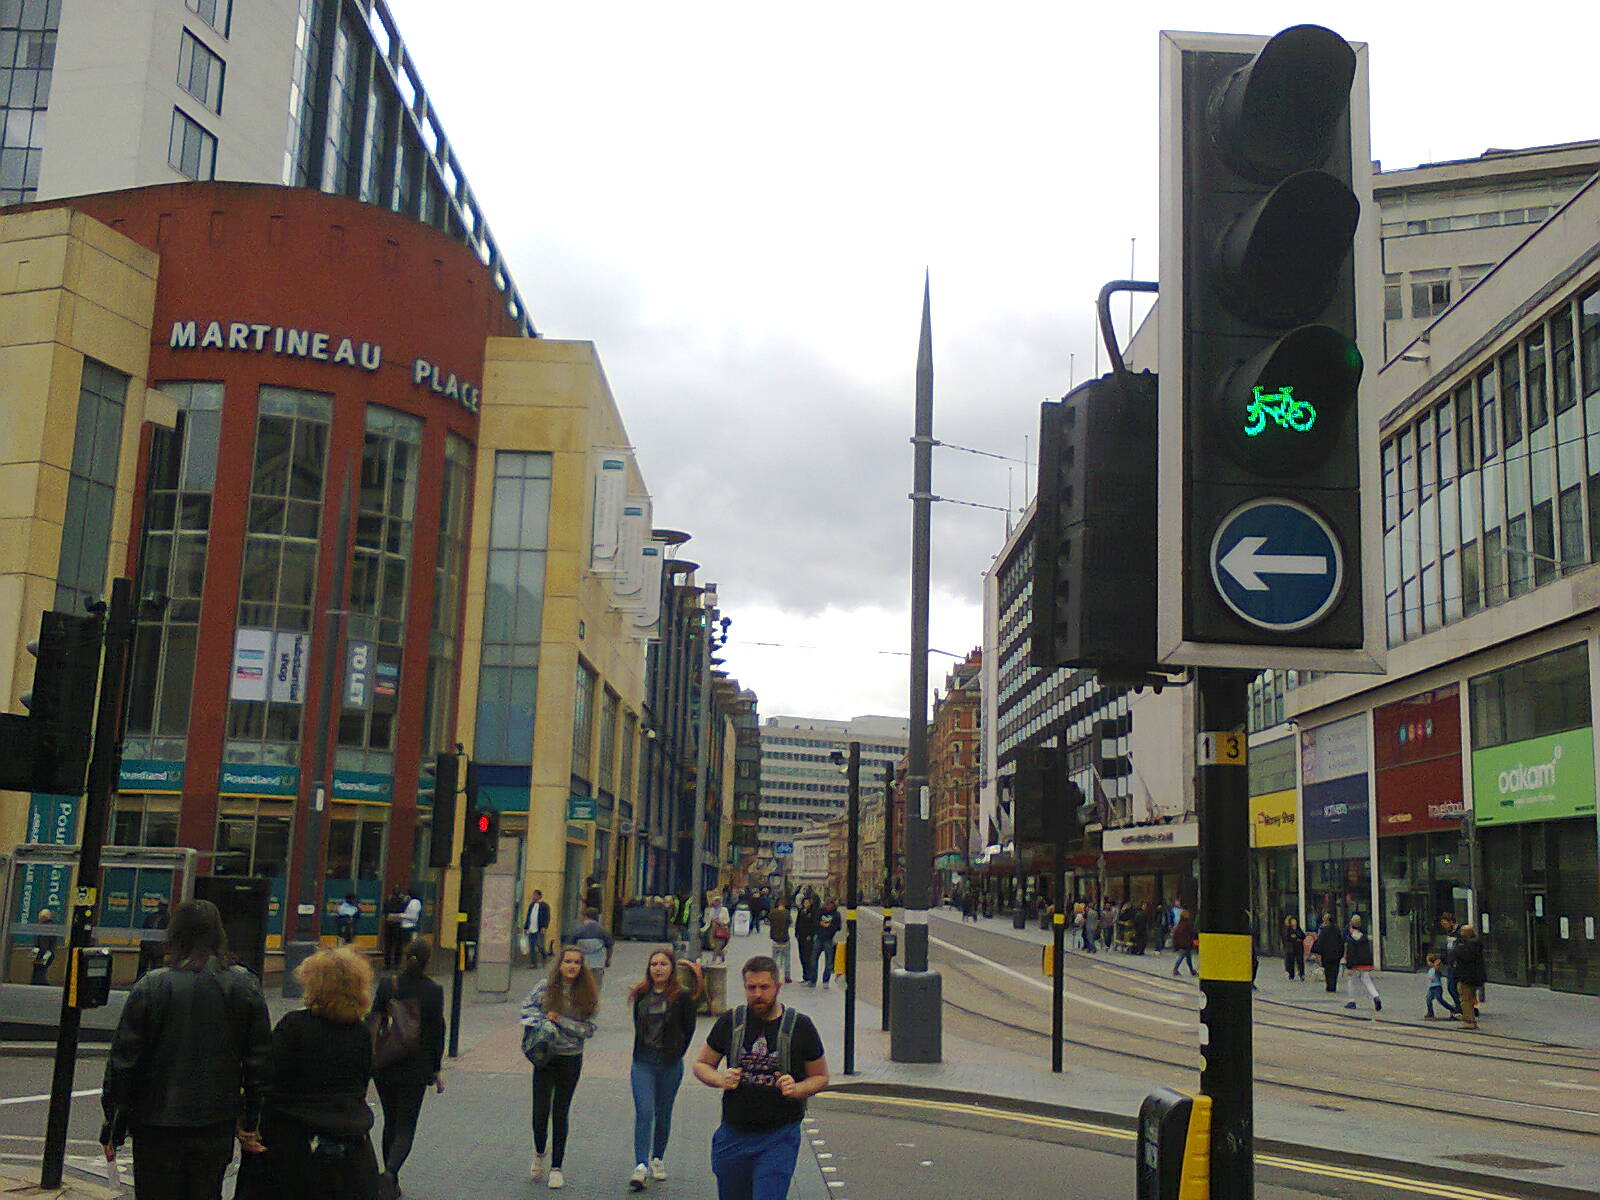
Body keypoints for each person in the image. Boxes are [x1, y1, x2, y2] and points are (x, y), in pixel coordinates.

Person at [100, 900, 272, 1200]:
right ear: (219, 933)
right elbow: (258, 1062)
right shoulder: (244, 984)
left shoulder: (151, 986)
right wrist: (251, 1121)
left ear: (175, 934)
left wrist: (114, 1127)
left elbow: (123, 1063)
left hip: (155, 1123)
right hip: (214, 1121)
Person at [235, 946, 381, 1200]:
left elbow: (265, 1078)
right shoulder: (361, 1034)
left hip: (292, 1147)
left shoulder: (295, 1027)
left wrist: (247, 1123)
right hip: (349, 1150)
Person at [693, 955, 828, 1200]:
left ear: (777, 986)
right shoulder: (731, 1022)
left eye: (764, 987)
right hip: (734, 1133)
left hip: (779, 1136)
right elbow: (702, 1065)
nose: (758, 994)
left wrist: (797, 1089)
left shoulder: (801, 1026)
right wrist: (720, 1079)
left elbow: (820, 1077)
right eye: (751, 988)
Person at [371, 937, 446, 1197]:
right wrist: (436, 1069)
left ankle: (391, 1181)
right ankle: (390, 1174)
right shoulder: (434, 991)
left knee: (390, 1122)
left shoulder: (386, 985)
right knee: (406, 1125)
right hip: (416, 1066)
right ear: (428, 961)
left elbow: (374, 1021)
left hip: (385, 1065)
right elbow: (437, 1032)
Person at [522, 946, 599, 1188]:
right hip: (545, 1056)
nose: (572, 966)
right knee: (540, 1110)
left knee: (561, 1111)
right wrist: (543, 1021)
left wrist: (561, 1022)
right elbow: (526, 1009)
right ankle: (538, 1152)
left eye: (577, 962)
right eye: (567, 961)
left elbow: (588, 1029)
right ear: (560, 964)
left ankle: (557, 1166)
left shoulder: (586, 993)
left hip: (570, 1057)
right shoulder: (545, 987)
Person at [627, 948, 699, 1190]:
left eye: (663, 964)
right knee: (645, 1110)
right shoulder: (641, 994)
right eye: (654, 964)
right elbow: (637, 1026)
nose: (658, 968)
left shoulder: (683, 997)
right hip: (643, 1062)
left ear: (672, 968)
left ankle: (657, 1158)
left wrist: (676, 1053)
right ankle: (640, 1165)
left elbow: (689, 1030)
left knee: (663, 1112)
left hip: (669, 1063)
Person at [1450, 924, 1486, 1030]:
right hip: (1476, 977)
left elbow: (1459, 956)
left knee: (1465, 999)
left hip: (1466, 976)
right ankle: (1472, 1020)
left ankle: (1468, 1021)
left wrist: (1455, 950)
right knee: (1471, 998)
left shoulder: (1464, 946)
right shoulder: (1477, 945)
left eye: (1462, 932)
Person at [1342, 914, 1381, 1012]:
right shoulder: (1364, 938)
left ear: (1351, 926)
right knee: (1367, 980)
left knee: (1351, 981)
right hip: (1364, 963)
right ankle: (1376, 996)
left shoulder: (1351, 939)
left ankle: (1352, 1001)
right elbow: (1368, 952)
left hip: (1355, 964)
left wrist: (1349, 966)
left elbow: (1350, 954)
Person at [573, 907, 614, 992]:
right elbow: (609, 946)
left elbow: (570, 947)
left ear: (586, 917)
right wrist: (608, 960)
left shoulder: (578, 930)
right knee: (596, 987)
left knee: (580, 986)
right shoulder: (603, 931)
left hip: (582, 963)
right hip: (597, 964)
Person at [1311, 912, 1344, 994]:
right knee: (1334, 970)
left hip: (1326, 954)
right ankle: (1333, 985)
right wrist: (1341, 953)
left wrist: (1318, 952)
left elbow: (1320, 942)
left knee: (1328, 970)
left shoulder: (1324, 930)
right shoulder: (1337, 930)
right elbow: (1341, 943)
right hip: (1336, 954)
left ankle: (1329, 986)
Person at [813, 899, 842, 989]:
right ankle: (813, 979)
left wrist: (829, 926)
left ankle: (826, 980)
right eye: (827, 904)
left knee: (829, 961)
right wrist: (819, 926)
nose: (828, 906)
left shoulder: (836, 914)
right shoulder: (820, 911)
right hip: (819, 937)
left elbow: (838, 927)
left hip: (829, 939)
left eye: (830, 905)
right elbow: (815, 922)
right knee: (813, 959)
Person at [1423, 952, 1461, 1020]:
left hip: (1437, 987)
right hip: (1431, 987)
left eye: (1428, 961)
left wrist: (1436, 964)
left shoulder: (1435, 969)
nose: (1427, 963)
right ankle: (1430, 1013)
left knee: (1440, 999)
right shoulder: (1431, 969)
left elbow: (1438, 970)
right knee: (1428, 1000)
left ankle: (1452, 1009)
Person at [793, 898, 818, 986]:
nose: (806, 904)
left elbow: (814, 925)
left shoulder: (812, 913)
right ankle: (805, 976)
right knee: (802, 956)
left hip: (808, 938)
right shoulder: (801, 911)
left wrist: (810, 935)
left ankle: (811, 977)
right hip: (801, 937)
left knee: (808, 957)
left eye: (807, 902)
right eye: (805, 903)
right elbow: (798, 923)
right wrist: (796, 932)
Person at [525, 889, 553, 967]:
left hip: (539, 928)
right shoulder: (531, 905)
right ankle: (533, 963)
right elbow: (529, 916)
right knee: (532, 946)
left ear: (540, 896)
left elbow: (547, 917)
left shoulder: (544, 905)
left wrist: (544, 927)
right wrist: (526, 927)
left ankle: (544, 956)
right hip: (531, 928)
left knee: (540, 945)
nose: (533, 896)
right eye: (533, 895)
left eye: (535, 895)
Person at [767, 899, 793, 983]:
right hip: (785, 938)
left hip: (775, 938)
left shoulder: (773, 912)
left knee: (774, 958)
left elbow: (768, 921)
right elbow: (790, 923)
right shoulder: (787, 913)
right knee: (787, 959)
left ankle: (773, 975)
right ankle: (787, 976)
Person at [382, 888, 408, 970]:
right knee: (398, 946)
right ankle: (396, 963)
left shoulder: (388, 901)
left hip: (389, 925)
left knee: (388, 945)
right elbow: (405, 913)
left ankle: (387, 964)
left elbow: (384, 912)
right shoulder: (402, 902)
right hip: (399, 926)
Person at [703, 892, 732, 963]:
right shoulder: (712, 910)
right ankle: (721, 956)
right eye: (715, 901)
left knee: (718, 946)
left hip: (722, 929)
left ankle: (714, 959)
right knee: (714, 946)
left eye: (718, 901)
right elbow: (709, 919)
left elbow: (727, 919)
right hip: (713, 929)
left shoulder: (724, 910)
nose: (716, 903)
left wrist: (722, 923)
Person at [30, 907, 56, 985]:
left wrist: (38, 956)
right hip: (48, 953)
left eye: (40, 917)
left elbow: (43, 944)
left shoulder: (45, 927)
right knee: (42, 972)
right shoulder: (51, 926)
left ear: (43, 917)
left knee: (39, 972)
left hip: (43, 954)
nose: (39, 919)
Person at [1169, 909, 1198, 976]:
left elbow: (1176, 934)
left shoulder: (1179, 924)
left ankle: (1192, 971)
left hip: (1182, 944)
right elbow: (1191, 934)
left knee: (1188, 958)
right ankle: (1175, 970)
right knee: (1181, 957)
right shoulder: (1188, 924)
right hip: (1186, 944)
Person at [1282, 915, 1306, 981]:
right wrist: (1294, 938)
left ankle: (1301, 974)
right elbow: (1287, 937)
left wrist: (1298, 937)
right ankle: (1291, 975)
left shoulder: (1298, 929)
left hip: (1299, 947)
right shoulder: (1288, 929)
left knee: (1300, 961)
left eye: (1295, 921)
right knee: (1291, 961)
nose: (1294, 922)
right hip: (1291, 948)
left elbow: (1303, 936)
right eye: (1292, 921)